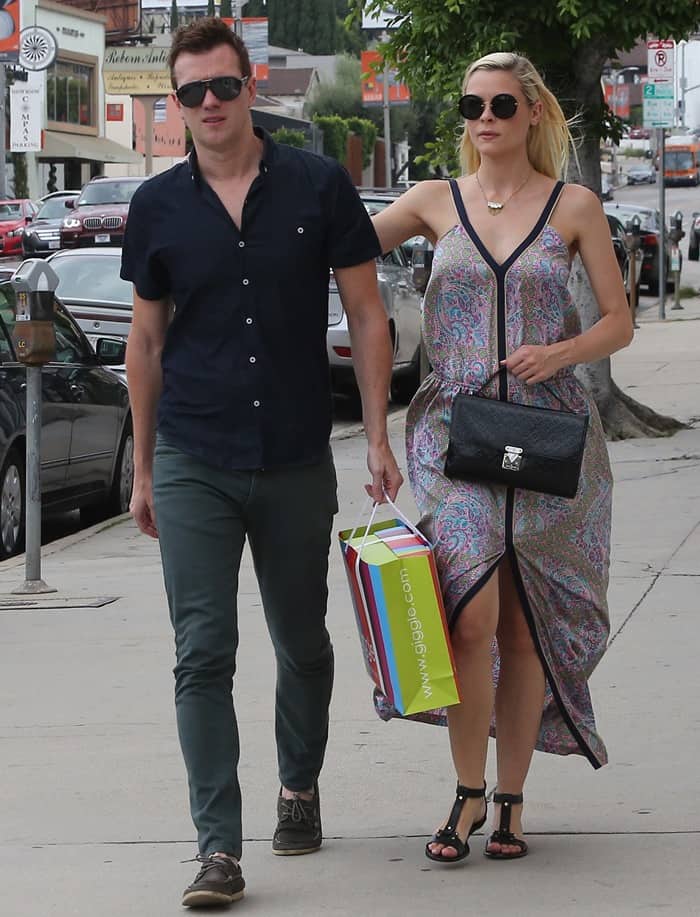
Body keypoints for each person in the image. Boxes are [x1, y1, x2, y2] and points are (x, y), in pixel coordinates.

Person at [121, 17, 403, 908]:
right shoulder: (157, 206)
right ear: (179, 103)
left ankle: (299, 785)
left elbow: (365, 318)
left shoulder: (318, 187)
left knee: (303, 641)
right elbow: (146, 340)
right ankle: (217, 847)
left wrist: (379, 435)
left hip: (292, 454)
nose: (209, 104)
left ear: (253, 90)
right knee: (202, 650)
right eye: (192, 92)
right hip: (193, 454)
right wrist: (140, 469)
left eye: (223, 87)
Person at [372, 52, 633, 864]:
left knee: (523, 625)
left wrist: (558, 355)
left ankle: (512, 797)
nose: (484, 117)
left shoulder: (574, 206)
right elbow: (334, 248)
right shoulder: (430, 201)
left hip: (551, 438)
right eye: (471, 104)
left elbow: (619, 323)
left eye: (501, 104)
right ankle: (468, 790)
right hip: (454, 434)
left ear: (531, 114)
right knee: (469, 609)